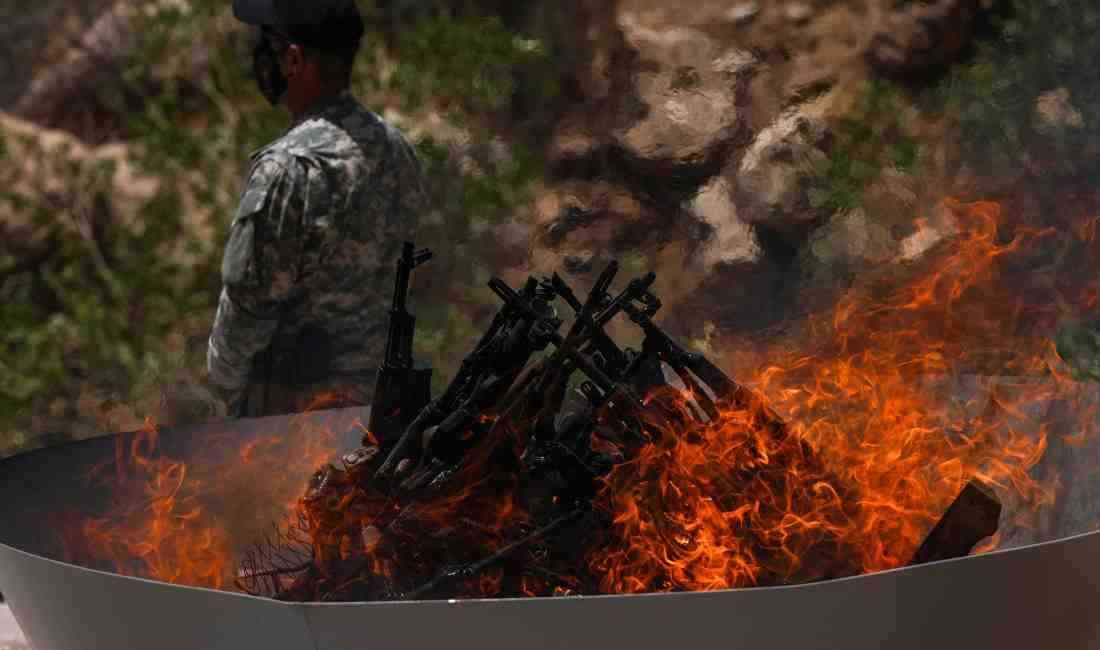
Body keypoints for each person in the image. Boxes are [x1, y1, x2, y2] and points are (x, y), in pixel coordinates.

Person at [208, 0, 428, 417]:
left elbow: (248, 305)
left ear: (293, 59)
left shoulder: (287, 167)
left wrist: (224, 392)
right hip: (383, 411)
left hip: (294, 425)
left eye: (268, 47)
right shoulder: (399, 150)